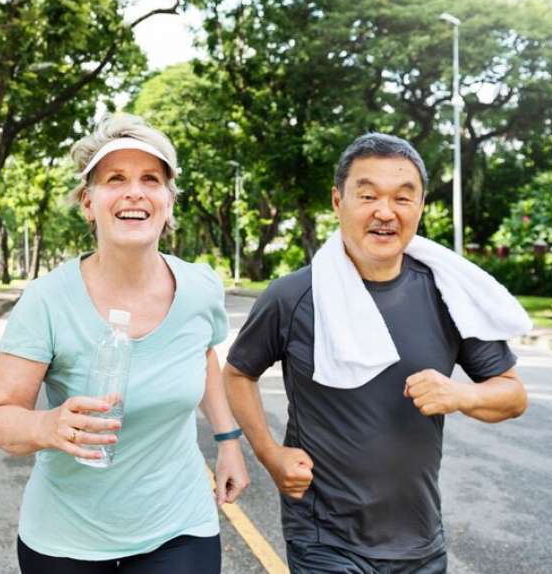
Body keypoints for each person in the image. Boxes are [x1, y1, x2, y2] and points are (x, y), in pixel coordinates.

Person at [224, 133, 529, 574]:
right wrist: (270, 454)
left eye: (403, 198)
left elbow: (513, 396)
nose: (385, 212)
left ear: (421, 205)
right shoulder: (293, 296)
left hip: (419, 537)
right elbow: (237, 374)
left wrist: (461, 395)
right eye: (367, 195)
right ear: (337, 200)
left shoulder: (448, 295)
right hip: (324, 537)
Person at [0, 114, 249, 573]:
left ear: (168, 202)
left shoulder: (200, 287)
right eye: (115, 179)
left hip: (178, 523)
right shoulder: (47, 300)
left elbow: (202, 354)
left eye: (151, 179)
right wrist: (48, 427)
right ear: (89, 202)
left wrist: (228, 441)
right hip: (67, 535)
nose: (134, 192)